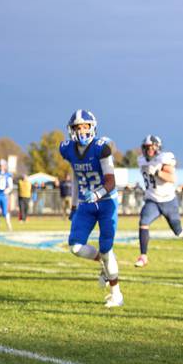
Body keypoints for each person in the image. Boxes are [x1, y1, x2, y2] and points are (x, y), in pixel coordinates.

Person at [58, 109, 123, 307]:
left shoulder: (101, 148)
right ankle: (104, 262)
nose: (82, 131)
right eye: (78, 127)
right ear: (71, 130)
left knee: (106, 249)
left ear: (92, 127)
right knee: (75, 247)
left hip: (106, 202)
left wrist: (97, 194)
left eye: (85, 126)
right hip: (86, 204)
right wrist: (74, 205)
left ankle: (116, 294)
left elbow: (111, 181)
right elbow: (77, 177)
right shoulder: (67, 149)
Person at [134, 135, 183, 267]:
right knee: (143, 222)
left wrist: (157, 172)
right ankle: (143, 256)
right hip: (152, 199)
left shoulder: (163, 158)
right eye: (146, 148)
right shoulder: (141, 160)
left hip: (168, 200)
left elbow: (172, 178)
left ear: (157, 148)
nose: (149, 150)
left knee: (178, 231)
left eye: (151, 147)